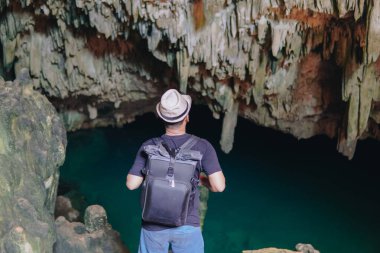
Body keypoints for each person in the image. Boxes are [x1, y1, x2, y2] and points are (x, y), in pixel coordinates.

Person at [126, 88, 226, 253]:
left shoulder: (148, 146)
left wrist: (154, 176)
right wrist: (202, 180)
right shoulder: (203, 146)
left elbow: (131, 184)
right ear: (187, 117)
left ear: (162, 119)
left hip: (153, 225)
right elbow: (219, 186)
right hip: (187, 225)